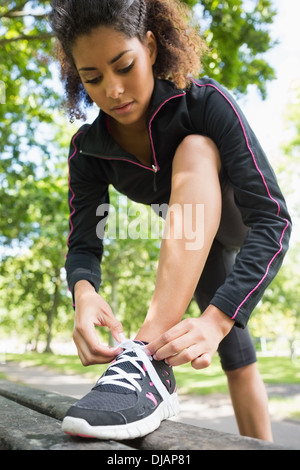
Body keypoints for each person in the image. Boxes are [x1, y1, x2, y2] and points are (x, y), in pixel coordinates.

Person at [49, 0, 291, 441]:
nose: (114, 90)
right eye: (93, 78)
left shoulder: (204, 102)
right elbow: (83, 242)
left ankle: (147, 357)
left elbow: (273, 219)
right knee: (236, 356)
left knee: (195, 146)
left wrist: (217, 318)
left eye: (124, 66)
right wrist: (83, 292)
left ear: (150, 46)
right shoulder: (88, 149)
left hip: (232, 218)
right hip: (193, 239)